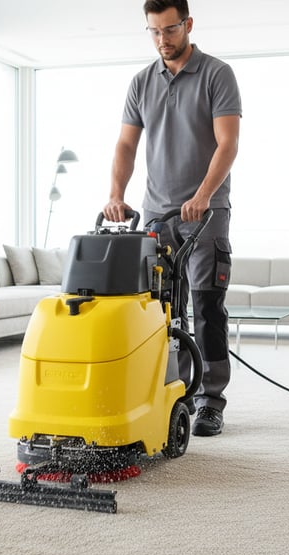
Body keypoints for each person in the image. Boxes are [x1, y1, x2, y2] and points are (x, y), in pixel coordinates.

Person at [103, 0, 241, 436]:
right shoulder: (141, 82)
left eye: (170, 29)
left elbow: (228, 143)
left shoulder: (217, 74)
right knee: (164, 311)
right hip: (158, 214)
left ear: (188, 24)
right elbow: (126, 145)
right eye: (154, 31)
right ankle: (175, 393)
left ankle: (211, 401)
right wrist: (115, 195)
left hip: (206, 214)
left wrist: (203, 195)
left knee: (205, 306)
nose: (163, 39)